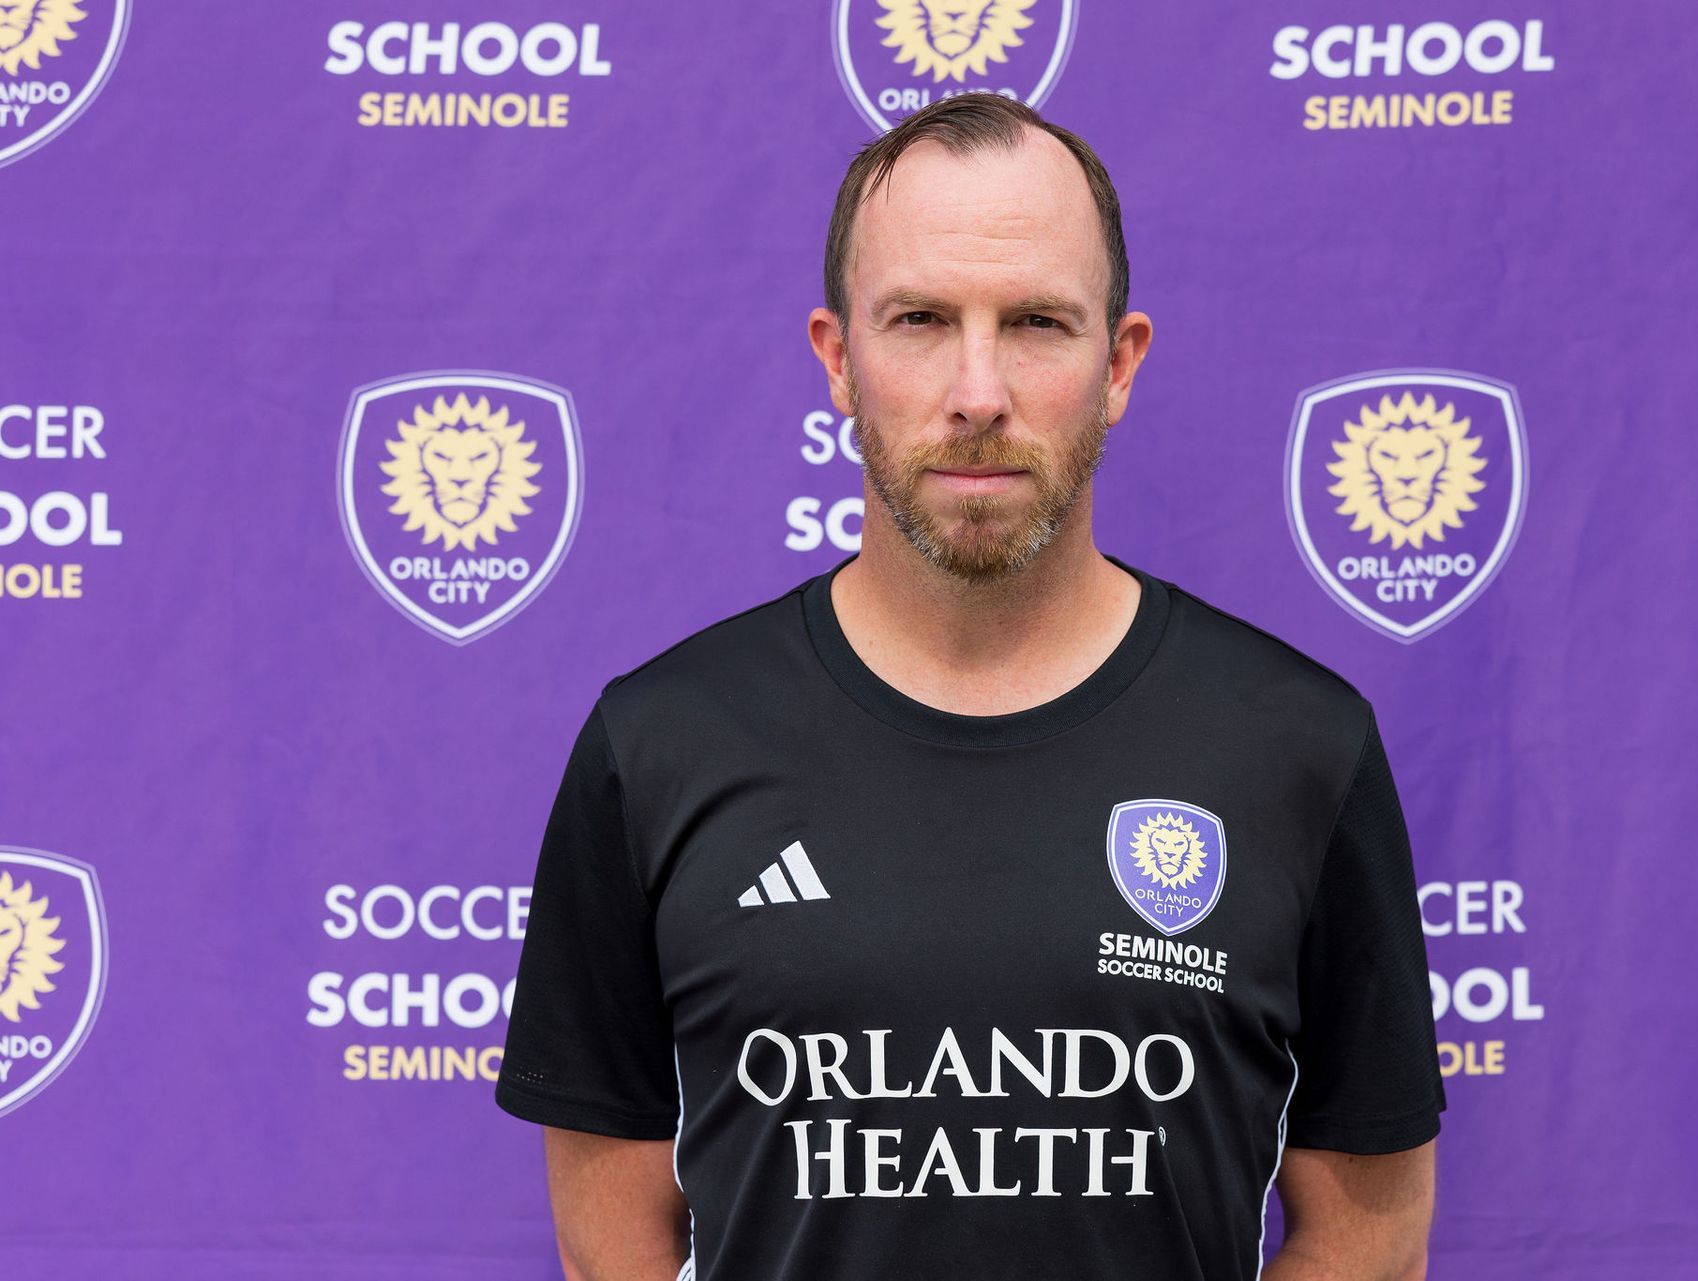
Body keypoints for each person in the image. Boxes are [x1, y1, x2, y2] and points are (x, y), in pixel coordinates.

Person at [495, 93, 1444, 1281]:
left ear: (1119, 363)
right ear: (840, 360)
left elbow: (1372, 1233)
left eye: (1038, 321)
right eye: (921, 320)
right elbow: (610, 1246)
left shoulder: (1298, 745)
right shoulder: (660, 744)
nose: (979, 391)